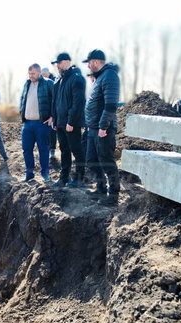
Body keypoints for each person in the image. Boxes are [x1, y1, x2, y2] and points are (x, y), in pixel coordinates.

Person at [83, 49, 121, 206]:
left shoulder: (109, 76)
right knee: (91, 160)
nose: (88, 66)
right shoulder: (100, 77)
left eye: (89, 63)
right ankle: (100, 188)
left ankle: (113, 195)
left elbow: (110, 104)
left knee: (106, 161)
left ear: (96, 61)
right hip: (92, 128)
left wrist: (103, 126)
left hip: (103, 129)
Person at [50, 52, 86, 188]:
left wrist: (70, 122)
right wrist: (55, 120)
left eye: (59, 63)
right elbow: (55, 102)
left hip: (71, 124)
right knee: (64, 151)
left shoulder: (77, 78)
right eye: (56, 64)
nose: (57, 66)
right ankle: (63, 178)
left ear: (67, 62)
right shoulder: (58, 81)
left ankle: (79, 179)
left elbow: (78, 103)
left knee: (77, 151)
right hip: (60, 123)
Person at [19, 63, 54, 182]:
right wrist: (21, 114)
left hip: (42, 123)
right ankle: (29, 174)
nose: (30, 76)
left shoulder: (48, 83)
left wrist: (53, 116)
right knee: (26, 149)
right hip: (27, 124)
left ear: (39, 72)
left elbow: (55, 101)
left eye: (33, 73)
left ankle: (45, 173)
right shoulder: (27, 83)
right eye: (29, 74)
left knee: (43, 149)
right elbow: (22, 100)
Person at [42, 67, 58, 158]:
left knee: (52, 131)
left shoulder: (54, 81)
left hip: (53, 109)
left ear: (48, 73)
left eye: (45, 75)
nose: (44, 77)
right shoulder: (41, 82)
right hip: (45, 109)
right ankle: (46, 149)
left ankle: (52, 150)